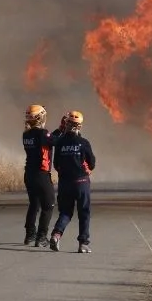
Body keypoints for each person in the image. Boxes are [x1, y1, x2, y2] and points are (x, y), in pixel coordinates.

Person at [49, 110, 96, 253]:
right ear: (79, 126)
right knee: (84, 213)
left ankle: (56, 235)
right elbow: (92, 163)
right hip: (82, 183)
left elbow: (56, 164)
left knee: (65, 212)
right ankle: (83, 244)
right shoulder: (84, 143)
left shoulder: (60, 143)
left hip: (65, 184)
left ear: (66, 124)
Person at [22, 104, 57, 247]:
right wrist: (63, 130)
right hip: (41, 175)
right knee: (48, 205)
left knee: (34, 204)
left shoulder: (26, 134)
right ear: (39, 118)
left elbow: (50, 139)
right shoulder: (42, 134)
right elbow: (55, 141)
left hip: (29, 174)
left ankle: (30, 235)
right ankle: (41, 237)